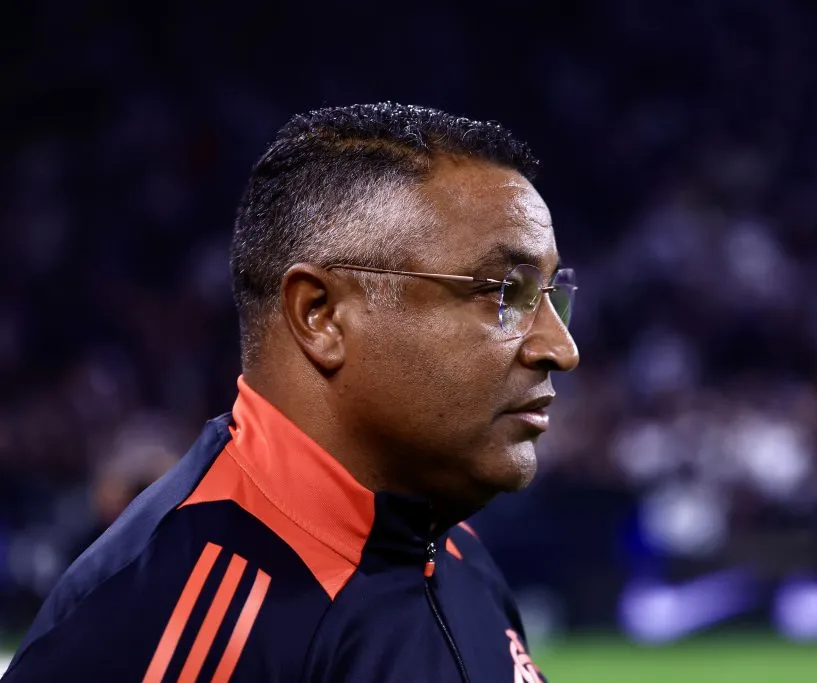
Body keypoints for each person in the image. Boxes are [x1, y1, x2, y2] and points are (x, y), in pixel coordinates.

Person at [3, 102, 579, 682]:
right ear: (320, 315)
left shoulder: (458, 557)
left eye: (554, 295)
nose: (561, 347)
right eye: (507, 293)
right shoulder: (166, 620)